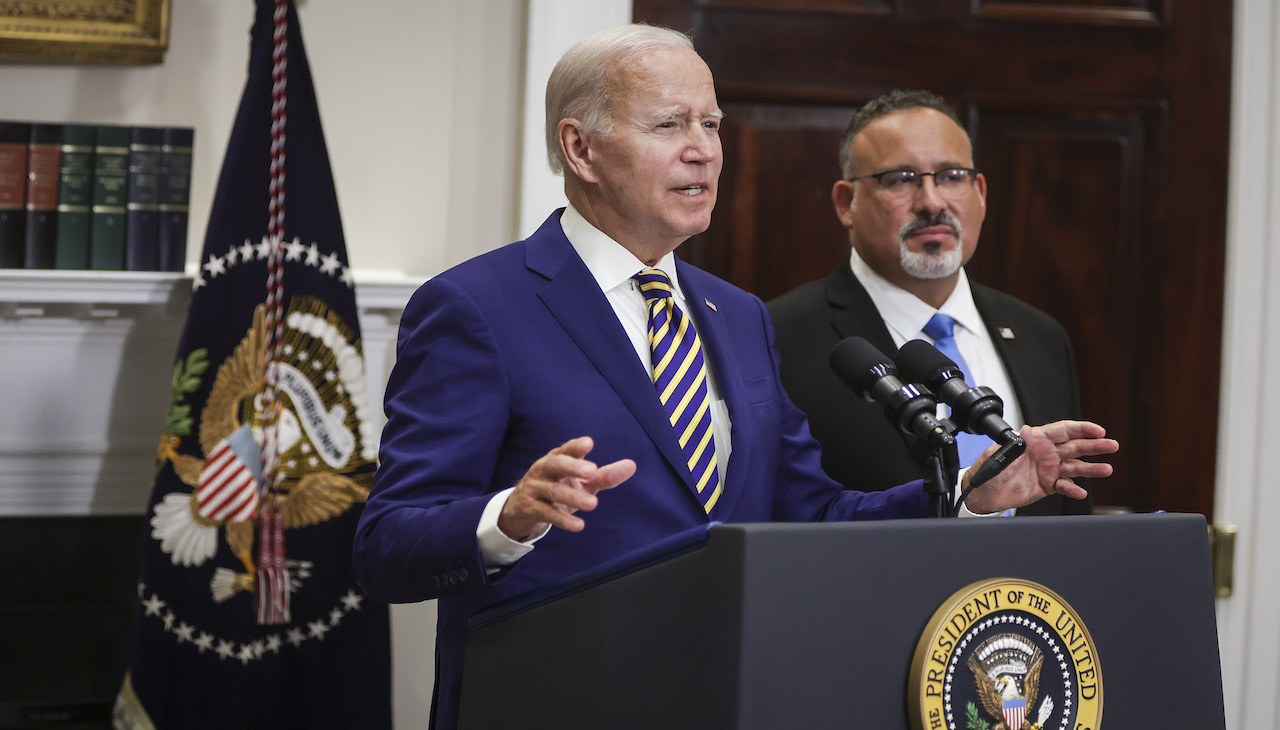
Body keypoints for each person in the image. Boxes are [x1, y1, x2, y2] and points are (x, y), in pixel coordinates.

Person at [352, 30, 1117, 730]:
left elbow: (810, 513)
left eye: (712, 125)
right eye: (669, 126)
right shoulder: (476, 308)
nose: (705, 152)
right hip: (552, 701)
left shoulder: (736, 315)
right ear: (580, 149)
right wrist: (506, 518)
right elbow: (386, 543)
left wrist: (960, 491)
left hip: (725, 699)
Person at [768, 89, 1091, 516]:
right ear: (847, 203)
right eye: (900, 179)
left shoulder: (1040, 335)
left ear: (980, 192)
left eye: (951, 176)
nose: (932, 202)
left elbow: (1067, 508)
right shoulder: (778, 337)